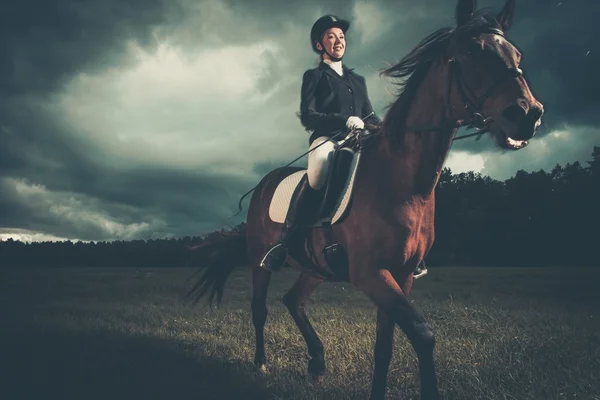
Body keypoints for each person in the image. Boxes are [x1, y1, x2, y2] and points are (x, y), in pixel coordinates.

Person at [259, 15, 428, 279]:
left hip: (359, 140)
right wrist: (343, 120)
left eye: (341, 37)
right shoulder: (314, 76)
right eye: (331, 37)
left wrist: (384, 130)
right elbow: (308, 115)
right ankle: (286, 241)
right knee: (318, 176)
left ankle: (404, 246)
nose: (338, 41)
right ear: (319, 45)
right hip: (327, 140)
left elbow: (369, 115)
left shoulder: (357, 81)